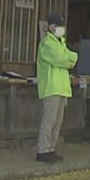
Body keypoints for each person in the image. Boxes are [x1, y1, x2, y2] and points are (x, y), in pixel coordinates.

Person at [35, 13, 78, 164]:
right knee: (49, 121)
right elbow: (61, 59)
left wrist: (69, 59)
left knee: (57, 121)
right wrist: (69, 60)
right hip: (51, 86)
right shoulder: (47, 43)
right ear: (52, 27)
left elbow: (71, 56)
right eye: (59, 26)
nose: (62, 29)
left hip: (62, 87)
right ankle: (43, 150)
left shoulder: (60, 43)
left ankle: (50, 149)